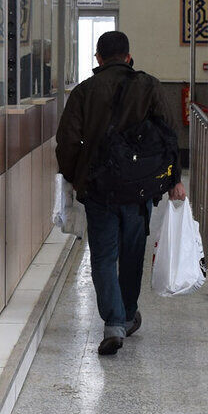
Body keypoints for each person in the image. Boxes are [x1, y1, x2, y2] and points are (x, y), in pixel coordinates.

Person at [56, 30, 186, 356]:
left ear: (98, 59)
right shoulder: (149, 85)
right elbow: (169, 135)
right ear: (129, 57)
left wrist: (75, 177)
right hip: (139, 187)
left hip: (99, 188)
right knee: (131, 254)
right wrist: (173, 180)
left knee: (102, 256)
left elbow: (68, 141)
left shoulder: (84, 91)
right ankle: (127, 315)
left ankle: (114, 322)